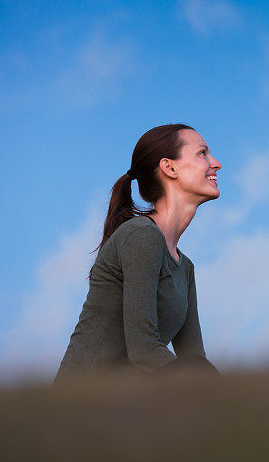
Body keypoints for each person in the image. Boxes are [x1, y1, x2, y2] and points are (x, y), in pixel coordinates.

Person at [52, 124, 222, 385]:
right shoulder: (141, 236)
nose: (216, 163)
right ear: (170, 168)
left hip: (131, 401)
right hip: (82, 402)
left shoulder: (185, 267)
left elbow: (194, 357)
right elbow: (143, 351)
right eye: (203, 153)